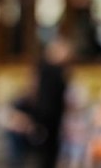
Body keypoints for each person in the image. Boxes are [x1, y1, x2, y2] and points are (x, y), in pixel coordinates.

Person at [36, 38, 74, 168]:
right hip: (48, 114)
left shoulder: (47, 68)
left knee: (53, 147)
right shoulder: (50, 69)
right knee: (49, 148)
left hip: (54, 113)